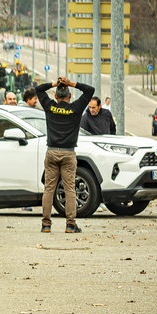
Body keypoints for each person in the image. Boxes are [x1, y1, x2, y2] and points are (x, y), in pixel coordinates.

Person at [35, 76, 95, 233]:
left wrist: (54, 83)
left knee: (49, 189)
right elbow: (90, 90)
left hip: (52, 152)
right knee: (69, 189)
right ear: (70, 96)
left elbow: (38, 89)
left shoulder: (50, 106)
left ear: (55, 96)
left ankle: (46, 225)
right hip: (69, 154)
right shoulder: (76, 108)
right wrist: (71, 83)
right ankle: (70, 225)